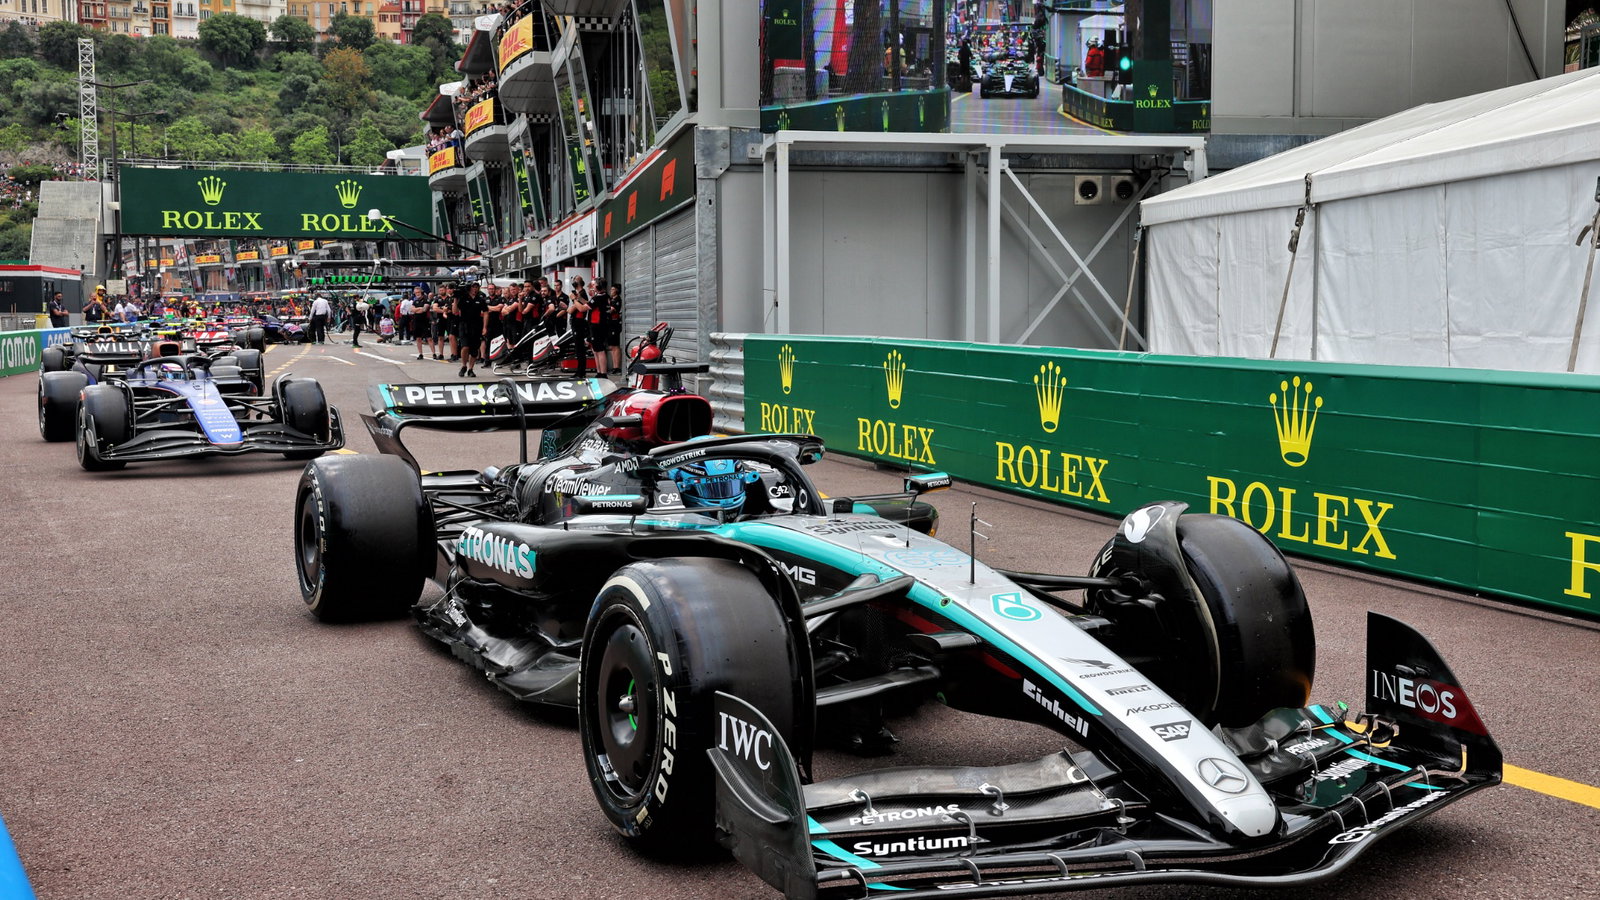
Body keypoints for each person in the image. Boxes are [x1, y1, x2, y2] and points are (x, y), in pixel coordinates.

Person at [454, 282, 488, 378]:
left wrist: (485, 327)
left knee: (474, 349)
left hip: (476, 326)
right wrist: (456, 299)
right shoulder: (463, 298)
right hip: (464, 326)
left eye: (476, 287)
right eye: (473, 287)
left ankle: (471, 369)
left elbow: (486, 313)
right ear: (469, 288)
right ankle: (464, 366)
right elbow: (455, 311)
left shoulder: (481, 299)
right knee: (465, 347)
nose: (475, 289)